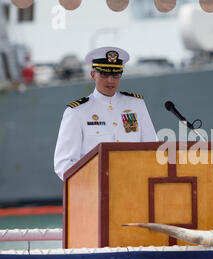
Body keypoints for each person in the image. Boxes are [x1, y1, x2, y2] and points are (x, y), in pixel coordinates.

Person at [54, 46, 157, 180]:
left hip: (134, 186)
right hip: (95, 191)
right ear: (93, 75)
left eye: (115, 74)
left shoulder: (136, 105)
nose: (110, 80)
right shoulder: (77, 112)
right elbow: (63, 163)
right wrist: (92, 180)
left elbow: (152, 150)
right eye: (104, 74)